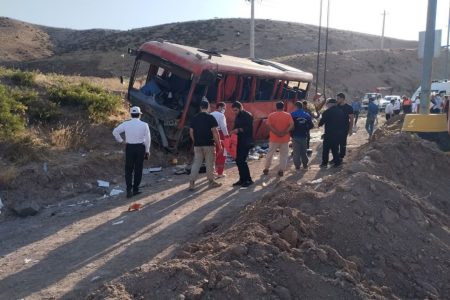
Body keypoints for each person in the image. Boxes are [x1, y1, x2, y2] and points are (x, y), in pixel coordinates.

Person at [113, 106, 151, 198]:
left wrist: (121, 141)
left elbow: (115, 132)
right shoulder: (144, 124)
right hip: (140, 148)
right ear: (139, 115)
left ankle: (128, 190)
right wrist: (147, 151)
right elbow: (148, 139)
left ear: (131, 114)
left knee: (128, 170)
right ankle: (135, 189)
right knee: (138, 170)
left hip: (129, 147)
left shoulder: (126, 124)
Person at [188, 99, 222, 190]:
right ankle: (211, 182)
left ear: (200, 107)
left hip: (197, 145)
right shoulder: (210, 117)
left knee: (196, 163)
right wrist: (219, 144)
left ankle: (192, 183)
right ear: (208, 107)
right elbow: (215, 132)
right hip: (209, 144)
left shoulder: (194, 118)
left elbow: (191, 131)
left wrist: (195, 141)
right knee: (209, 163)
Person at [263, 101, 294, 176]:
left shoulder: (271, 115)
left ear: (276, 107)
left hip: (274, 139)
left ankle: (266, 168)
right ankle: (281, 170)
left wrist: (276, 132)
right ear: (283, 107)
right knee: (283, 155)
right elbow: (292, 125)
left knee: (270, 154)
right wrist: (284, 132)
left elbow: (269, 125)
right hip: (285, 139)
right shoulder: (288, 115)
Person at [230, 101, 254, 187]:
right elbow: (236, 126)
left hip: (246, 141)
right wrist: (232, 132)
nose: (234, 112)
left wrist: (238, 130)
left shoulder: (247, 115)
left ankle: (248, 179)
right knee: (238, 160)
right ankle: (242, 179)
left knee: (242, 160)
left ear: (240, 108)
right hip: (238, 141)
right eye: (233, 110)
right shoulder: (238, 116)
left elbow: (249, 128)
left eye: (236, 110)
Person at [319, 98, 346, 168]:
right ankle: (337, 163)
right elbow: (344, 123)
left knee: (326, 149)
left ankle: (324, 163)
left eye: (327, 104)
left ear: (330, 104)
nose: (327, 105)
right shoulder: (341, 112)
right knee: (335, 149)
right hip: (338, 134)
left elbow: (321, 123)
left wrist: (320, 121)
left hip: (328, 134)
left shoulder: (326, 112)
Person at [291, 101, 314, 170]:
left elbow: (289, 125)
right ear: (302, 106)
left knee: (296, 152)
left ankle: (297, 166)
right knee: (304, 151)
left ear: (296, 106)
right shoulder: (307, 115)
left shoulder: (292, 114)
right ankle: (305, 165)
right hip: (304, 135)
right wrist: (306, 129)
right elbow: (311, 125)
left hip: (295, 135)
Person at [210, 102, 229, 178]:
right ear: (220, 107)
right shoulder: (221, 115)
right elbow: (223, 127)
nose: (224, 110)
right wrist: (227, 136)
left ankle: (213, 171)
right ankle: (220, 173)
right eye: (224, 108)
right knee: (222, 154)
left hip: (210, 135)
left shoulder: (210, 114)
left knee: (212, 154)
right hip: (220, 134)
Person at [336, 92, 354, 161]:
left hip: (344, 128)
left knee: (342, 142)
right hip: (336, 128)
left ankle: (341, 156)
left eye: (338, 99)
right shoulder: (336, 106)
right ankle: (336, 156)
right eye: (336, 98)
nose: (337, 100)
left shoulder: (349, 108)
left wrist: (350, 129)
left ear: (343, 99)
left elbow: (351, 119)